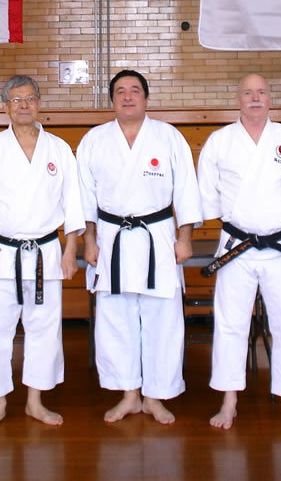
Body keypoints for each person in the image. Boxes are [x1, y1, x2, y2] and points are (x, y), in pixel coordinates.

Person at [0, 75, 85, 431]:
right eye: (16, 100)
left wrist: (71, 249)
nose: (24, 105)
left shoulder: (58, 149)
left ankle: (35, 402)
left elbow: (73, 204)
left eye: (30, 98)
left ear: (39, 104)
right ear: (5, 107)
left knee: (44, 329)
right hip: (1, 253)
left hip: (46, 252)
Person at [77, 69, 203, 424]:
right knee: (116, 320)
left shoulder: (168, 136)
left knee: (162, 320)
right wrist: (89, 241)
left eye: (135, 90)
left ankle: (155, 396)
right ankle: (129, 394)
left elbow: (187, 190)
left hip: (158, 236)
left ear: (146, 98)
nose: (128, 96)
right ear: (112, 99)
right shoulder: (94, 140)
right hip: (110, 237)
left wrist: (185, 237)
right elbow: (84, 196)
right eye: (120, 91)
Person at [197, 74, 281, 430]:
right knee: (231, 323)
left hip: (280, 245)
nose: (255, 98)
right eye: (248, 92)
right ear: (237, 99)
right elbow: (207, 189)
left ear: (269, 98)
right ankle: (229, 400)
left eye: (261, 92)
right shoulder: (220, 141)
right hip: (237, 245)